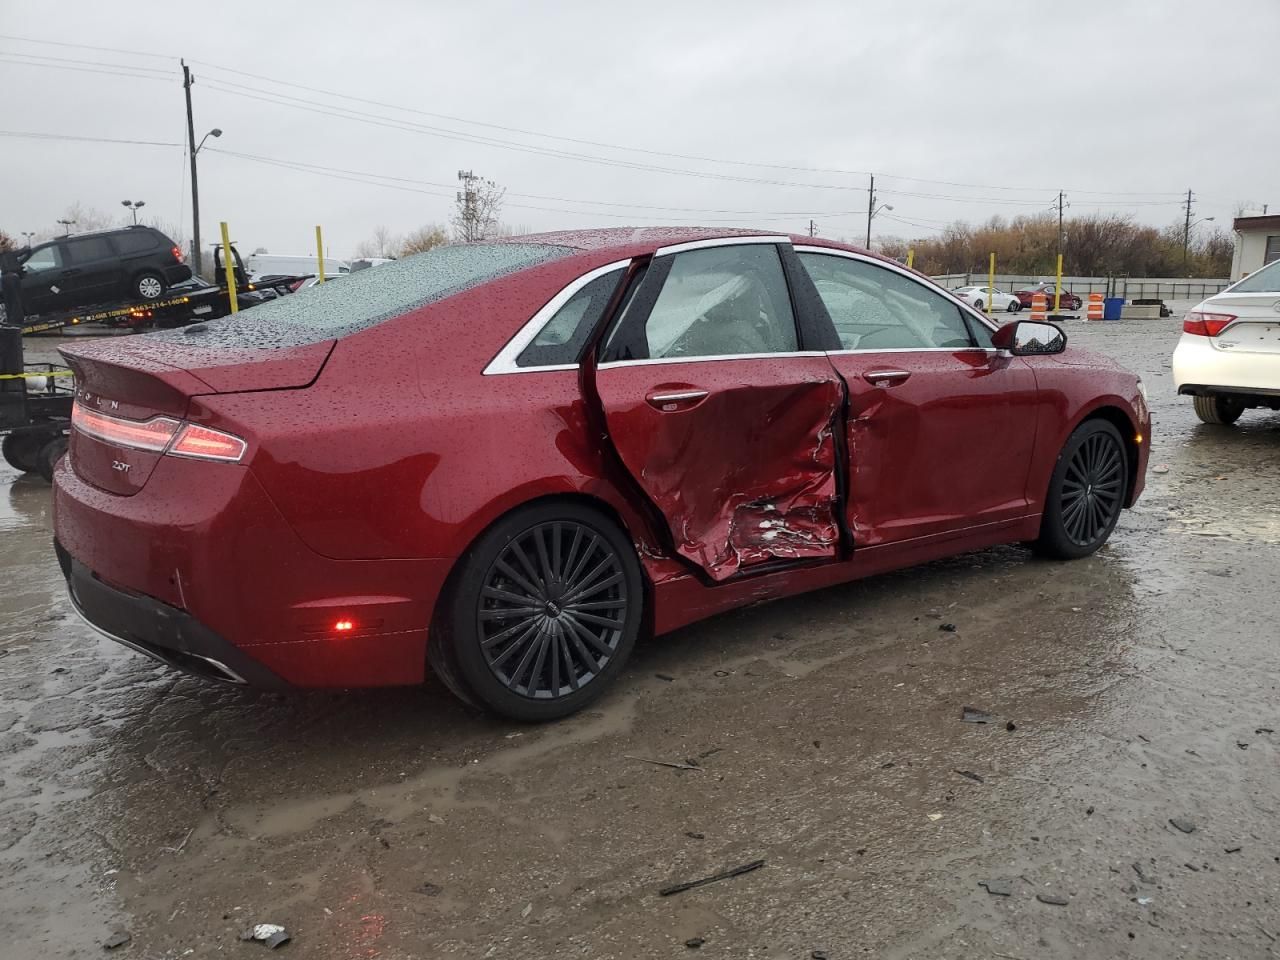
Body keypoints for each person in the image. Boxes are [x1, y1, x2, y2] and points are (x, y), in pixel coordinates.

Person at [0, 246, 26, 327]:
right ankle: (18, 321)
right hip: (13, 277)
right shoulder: (12, 253)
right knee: (16, 300)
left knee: (8, 301)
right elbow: (26, 250)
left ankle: (11, 321)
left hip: (4, 278)